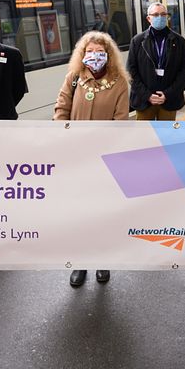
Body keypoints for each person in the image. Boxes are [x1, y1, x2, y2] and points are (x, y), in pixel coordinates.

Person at [54, 30, 130, 286]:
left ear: (108, 56)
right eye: (90, 52)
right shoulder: (74, 78)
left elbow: (121, 121)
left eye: (100, 52)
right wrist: (64, 137)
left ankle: (102, 260)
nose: (94, 56)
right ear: (82, 55)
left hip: (104, 159)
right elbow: (61, 108)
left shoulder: (119, 82)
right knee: (78, 212)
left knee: (102, 211)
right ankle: (79, 262)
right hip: (76, 157)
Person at [127, 2, 185, 121]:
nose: (159, 17)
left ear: (167, 17)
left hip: (168, 101)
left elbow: (184, 71)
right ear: (148, 18)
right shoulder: (137, 41)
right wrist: (147, 95)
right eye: (155, 15)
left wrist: (167, 94)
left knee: (166, 136)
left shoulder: (179, 41)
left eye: (163, 14)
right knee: (145, 135)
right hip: (144, 102)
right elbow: (130, 72)